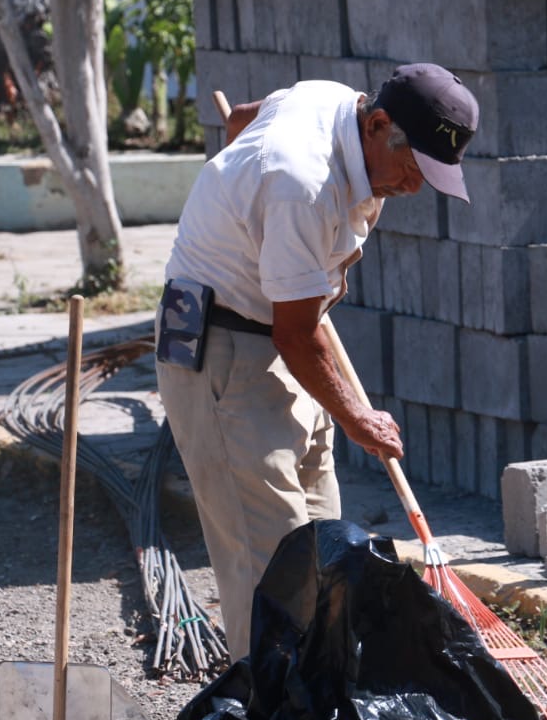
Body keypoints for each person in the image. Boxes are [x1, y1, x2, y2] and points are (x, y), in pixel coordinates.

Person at [155, 63, 480, 660]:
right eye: (411, 168)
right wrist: (359, 418)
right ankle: (267, 710)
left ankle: (315, 697)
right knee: (271, 567)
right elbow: (296, 334)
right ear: (377, 125)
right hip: (223, 345)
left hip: (281, 333)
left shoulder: (330, 100)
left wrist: (245, 190)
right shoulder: (300, 182)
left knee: (321, 548)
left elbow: (244, 117)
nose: (413, 189)